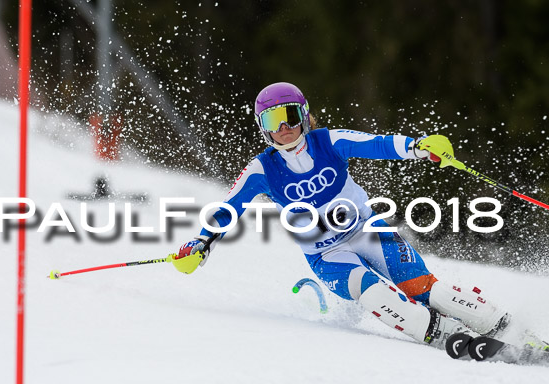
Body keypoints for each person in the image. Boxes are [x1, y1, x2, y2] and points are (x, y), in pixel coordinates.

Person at [174, 82, 512, 349]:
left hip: (366, 229)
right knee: (373, 292)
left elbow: (376, 144)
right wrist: (200, 242)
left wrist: (419, 147)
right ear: (262, 128)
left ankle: (501, 324)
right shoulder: (262, 169)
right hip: (326, 254)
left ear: (304, 116)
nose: (284, 128)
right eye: (272, 122)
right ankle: (441, 333)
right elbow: (227, 209)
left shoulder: (328, 141)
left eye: (290, 116)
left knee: (419, 285)